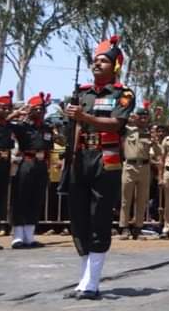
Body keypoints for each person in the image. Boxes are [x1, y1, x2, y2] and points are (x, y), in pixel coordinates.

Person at [56, 37, 134, 299]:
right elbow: (72, 127)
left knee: (99, 216)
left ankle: (93, 281)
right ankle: (83, 278)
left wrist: (84, 117)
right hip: (80, 157)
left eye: (104, 60)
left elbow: (116, 124)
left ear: (115, 66)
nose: (97, 63)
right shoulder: (82, 93)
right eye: (96, 60)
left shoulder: (123, 94)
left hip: (106, 157)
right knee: (78, 217)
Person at [9, 92, 53, 249]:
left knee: (36, 199)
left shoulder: (47, 128)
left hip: (41, 165)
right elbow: (3, 124)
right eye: (36, 109)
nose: (40, 112)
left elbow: (49, 148)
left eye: (42, 109)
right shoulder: (22, 128)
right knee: (21, 199)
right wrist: (17, 113)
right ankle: (18, 236)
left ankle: (29, 236)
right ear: (30, 110)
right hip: (26, 163)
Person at [120, 101, 153, 240]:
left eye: (145, 117)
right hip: (129, 166)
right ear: (136, 117)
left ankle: (138, 228)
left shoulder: (150, 132)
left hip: (145, 167)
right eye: (141, 117)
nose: (143, 119)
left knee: (142, 199)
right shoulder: (128, 130)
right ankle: (124, 227)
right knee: (126, 199)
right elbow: (120, 123)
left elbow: (156, 150)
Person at [0, 89, 15, 248]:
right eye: (2, 107)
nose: (5, 110)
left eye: (7, 108)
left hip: (3, 166)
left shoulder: (8, 126)